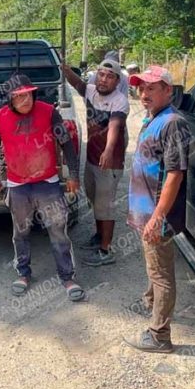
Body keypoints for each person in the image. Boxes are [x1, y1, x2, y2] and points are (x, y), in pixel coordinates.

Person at [0, 73, 85, 301]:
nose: (26, 100)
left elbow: (67, 144)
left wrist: (73, 175)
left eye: (29, 94)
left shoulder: (49, 112)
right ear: (10, 98)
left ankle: (67, 277)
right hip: (18, 186)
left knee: (58, 231)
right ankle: (23, 273)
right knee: (20, 232)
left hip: (48, 184)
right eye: (20, 96)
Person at [123, 65, 190, 354]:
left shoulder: (172, 122)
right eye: (141, 88)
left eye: (151, 88)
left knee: (161, 273)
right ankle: (151, 304)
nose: (144, 94)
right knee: (154, 267)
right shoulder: (154, 118)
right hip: (146, 214)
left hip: (156, 216)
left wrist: (157, 217)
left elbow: (175, 173)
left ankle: (159, 335)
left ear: (168, 90)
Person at [60, 55, 128, 266]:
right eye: (101, 74)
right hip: (92, 159)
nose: (104, 79)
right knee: (94, 200)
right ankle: (99, 237)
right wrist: (65, 69)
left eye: (110, 76)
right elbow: (77, 83)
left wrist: (108, 150)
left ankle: (106, 250)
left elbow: (115, 127)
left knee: (105, 206)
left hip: (109, 162)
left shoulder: (120, 101)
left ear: (117, 81)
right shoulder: (90, 91)